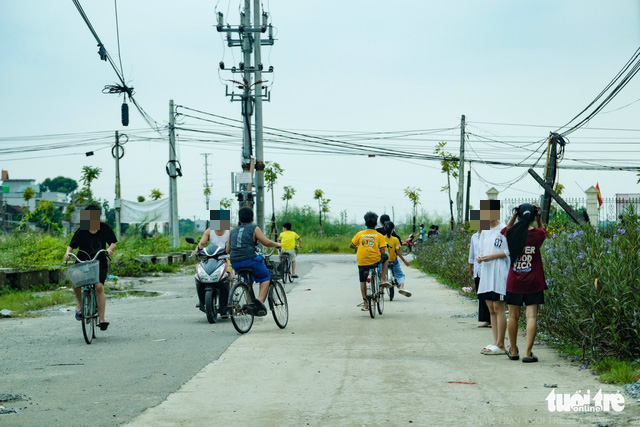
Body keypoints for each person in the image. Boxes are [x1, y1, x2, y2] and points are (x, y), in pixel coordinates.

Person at [504, 203, 547, 363]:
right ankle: (528, 353)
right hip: (533, 281)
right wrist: (540, 218)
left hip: (514, 281)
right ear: (533, 217)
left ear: (519, 216)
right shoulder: (537, 234)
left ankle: (513, 350)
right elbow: (543, 231)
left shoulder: (512, 232)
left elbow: (506, 229)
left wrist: (514, 215)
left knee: (513, 317)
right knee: (531, 317)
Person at [64, 204, 117, 331]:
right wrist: (67, 254)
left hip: (99, 261)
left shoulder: (104, 228)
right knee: (76, 279)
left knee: (99, 287)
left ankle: (102, 319)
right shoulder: (82, 229)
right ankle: (80, 304)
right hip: (82, 260)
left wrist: (109, 249)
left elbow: (113, 243)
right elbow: (71, 245)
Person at [227, 207, 281, 316]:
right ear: (252, 218)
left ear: (239, 219)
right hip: (250, 260)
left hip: (235, 263)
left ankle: (249, 302)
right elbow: (266, 242)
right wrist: (277, 244)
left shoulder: (232, 231)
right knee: (266, 276)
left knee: (247, 279)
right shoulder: (254, 228)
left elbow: (227, 250)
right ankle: (259, 302)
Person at [476, 202, 509, 355]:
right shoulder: (483, 230)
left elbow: (508, 252)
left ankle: (501, 344)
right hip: (487, 273)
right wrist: (480, 257)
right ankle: (495, 342)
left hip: (498, 272)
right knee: (491, 308)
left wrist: (492, 256)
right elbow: (481, 250)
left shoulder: (504, 229)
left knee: (498, 307)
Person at [350, 211, 391, 312]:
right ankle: (382, 279)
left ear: (365, 224)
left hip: (362, 261)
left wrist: (358, 247)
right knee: (386, 257)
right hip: (374, 260)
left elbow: (351, 245)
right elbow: (382, 251)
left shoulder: (359, 234)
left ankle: (365, 303)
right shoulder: (379, 236)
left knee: (362, 280)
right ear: (376, 224)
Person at [192, 223, 233, 319]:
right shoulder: (209, 231)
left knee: (229, 274)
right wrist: (196, 251)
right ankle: (202, 298)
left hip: (226, 258)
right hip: (211, 258)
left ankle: (229, 298)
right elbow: (201, 244)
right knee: (198, 269)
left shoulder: (230, 231)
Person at [383, 221, 412, 297]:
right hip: (393, 261)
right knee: (400, 275)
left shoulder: (381, 238)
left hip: (384, 262)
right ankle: (401, 287)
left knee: (380, 274)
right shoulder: (395, 239)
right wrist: (404, 261)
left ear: (384, 228)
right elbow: (398, 252)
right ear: (393, 229)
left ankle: (380, 289)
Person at [468, 230, 491, 328]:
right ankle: (486, 319)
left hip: (487, 269)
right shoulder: (474, 236)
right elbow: (472, 253)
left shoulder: (489, 234)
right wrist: (470, 266)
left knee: (488, 295)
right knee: (480, 294)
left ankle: (492, 319)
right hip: (477, 270)